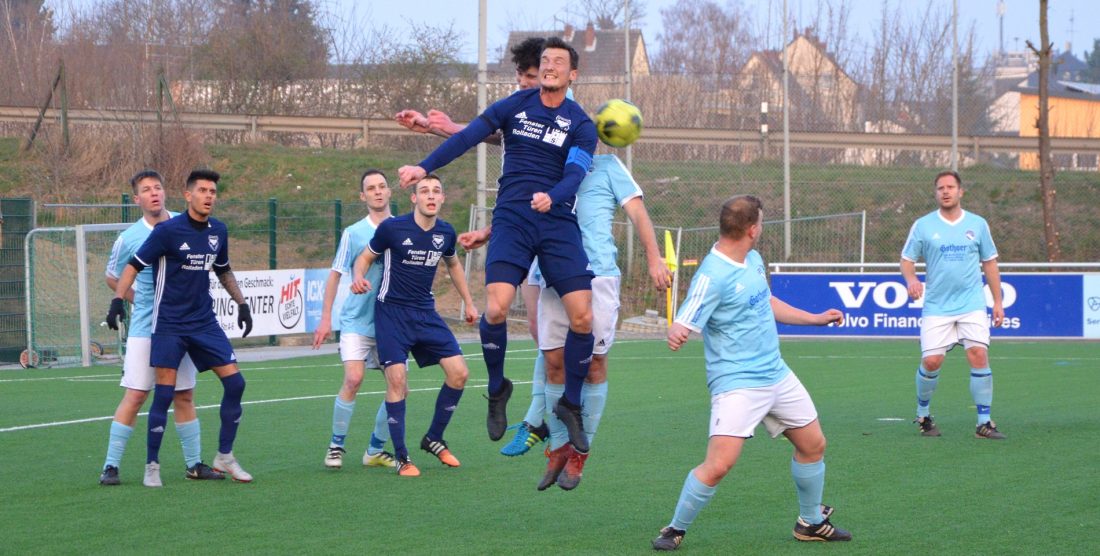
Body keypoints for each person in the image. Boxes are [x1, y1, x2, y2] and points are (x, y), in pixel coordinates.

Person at [397, 37, 597, 454]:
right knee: (496, 307)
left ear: (572, 75)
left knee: (582, 318)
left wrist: (554, 196)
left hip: (557, 222)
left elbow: (576, 174)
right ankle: (497, 387)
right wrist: (423, 166)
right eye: (545, 61)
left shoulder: (581, 123)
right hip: (513, 218)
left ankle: (571, 405)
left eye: (558, 62)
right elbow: (466, 137)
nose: (550, 66)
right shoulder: (514, 106)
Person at [651, 195, 851, 551]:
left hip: (776, 373)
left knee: (813, 445)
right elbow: (684, 318)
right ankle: (674, 528)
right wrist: (677, 330)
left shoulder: (753, 259)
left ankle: (810, 522)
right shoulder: (712, 275)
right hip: (738, 383)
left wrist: (815, 317)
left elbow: (767, 302)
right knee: (718, 465)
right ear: (753, 229)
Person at [462, 154, 671, 490]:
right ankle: (558, 447)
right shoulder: (543, 165)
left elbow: (637, 213)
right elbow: (523, 208)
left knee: (594, 365)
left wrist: (653, 257)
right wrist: (489, 231)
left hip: (598, 274)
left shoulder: (607, 166)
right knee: (553, 362)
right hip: (551, 272)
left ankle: (578, 455)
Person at [106, 169, 254, 487]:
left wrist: (242, 303)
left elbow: (222, 268)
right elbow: (121, 270)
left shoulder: (213, 229)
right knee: (139, 395)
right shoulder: (149, 233)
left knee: (189, 393)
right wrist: (120, 300)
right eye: (146, 190)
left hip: (199, 324)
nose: (154, 193)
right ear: (138, 198)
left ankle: (201, 462)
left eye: (158, 187)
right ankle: (115, 465)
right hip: (157, 325)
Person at [349, 174, 478, 477]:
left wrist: (470, 302)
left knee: (460, 373)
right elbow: (366, 257)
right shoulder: (392, 228)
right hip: (391, 314)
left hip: (425, 312)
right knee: (396, 382)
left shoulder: (445, 232)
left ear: (442, 198)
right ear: (414, 198)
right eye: (424, 191)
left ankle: (434, 437)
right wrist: (358, 276)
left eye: (436, 191)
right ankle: (403, 458)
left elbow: (454, 264)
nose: (431, 196)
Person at [900, 170, 1005, 439]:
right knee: (932, 361)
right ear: (935, 193)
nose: (945, 191)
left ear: (961, 191)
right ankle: (923, 414)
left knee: (978, 355)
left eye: (950, 187)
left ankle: (984, 422)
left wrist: (997, 302)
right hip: (937, 306)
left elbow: (990, 262)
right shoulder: (923, 225)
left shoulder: (978, 224)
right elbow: (907, 260)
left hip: (971, 304)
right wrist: (911, 279)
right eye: (940, 188)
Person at [312, 169, 399, 470]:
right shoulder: (353, 233)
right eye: (370, 188)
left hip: (391, 323)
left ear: (390, 192)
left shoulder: (404, 228)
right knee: (354, 378)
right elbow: (335, 276)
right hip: (356, 321)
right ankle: (336, 446)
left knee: (398, 386)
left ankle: (375, 450)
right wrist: (325, 320)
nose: (377, 191)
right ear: (363, 196)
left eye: (382, 186)